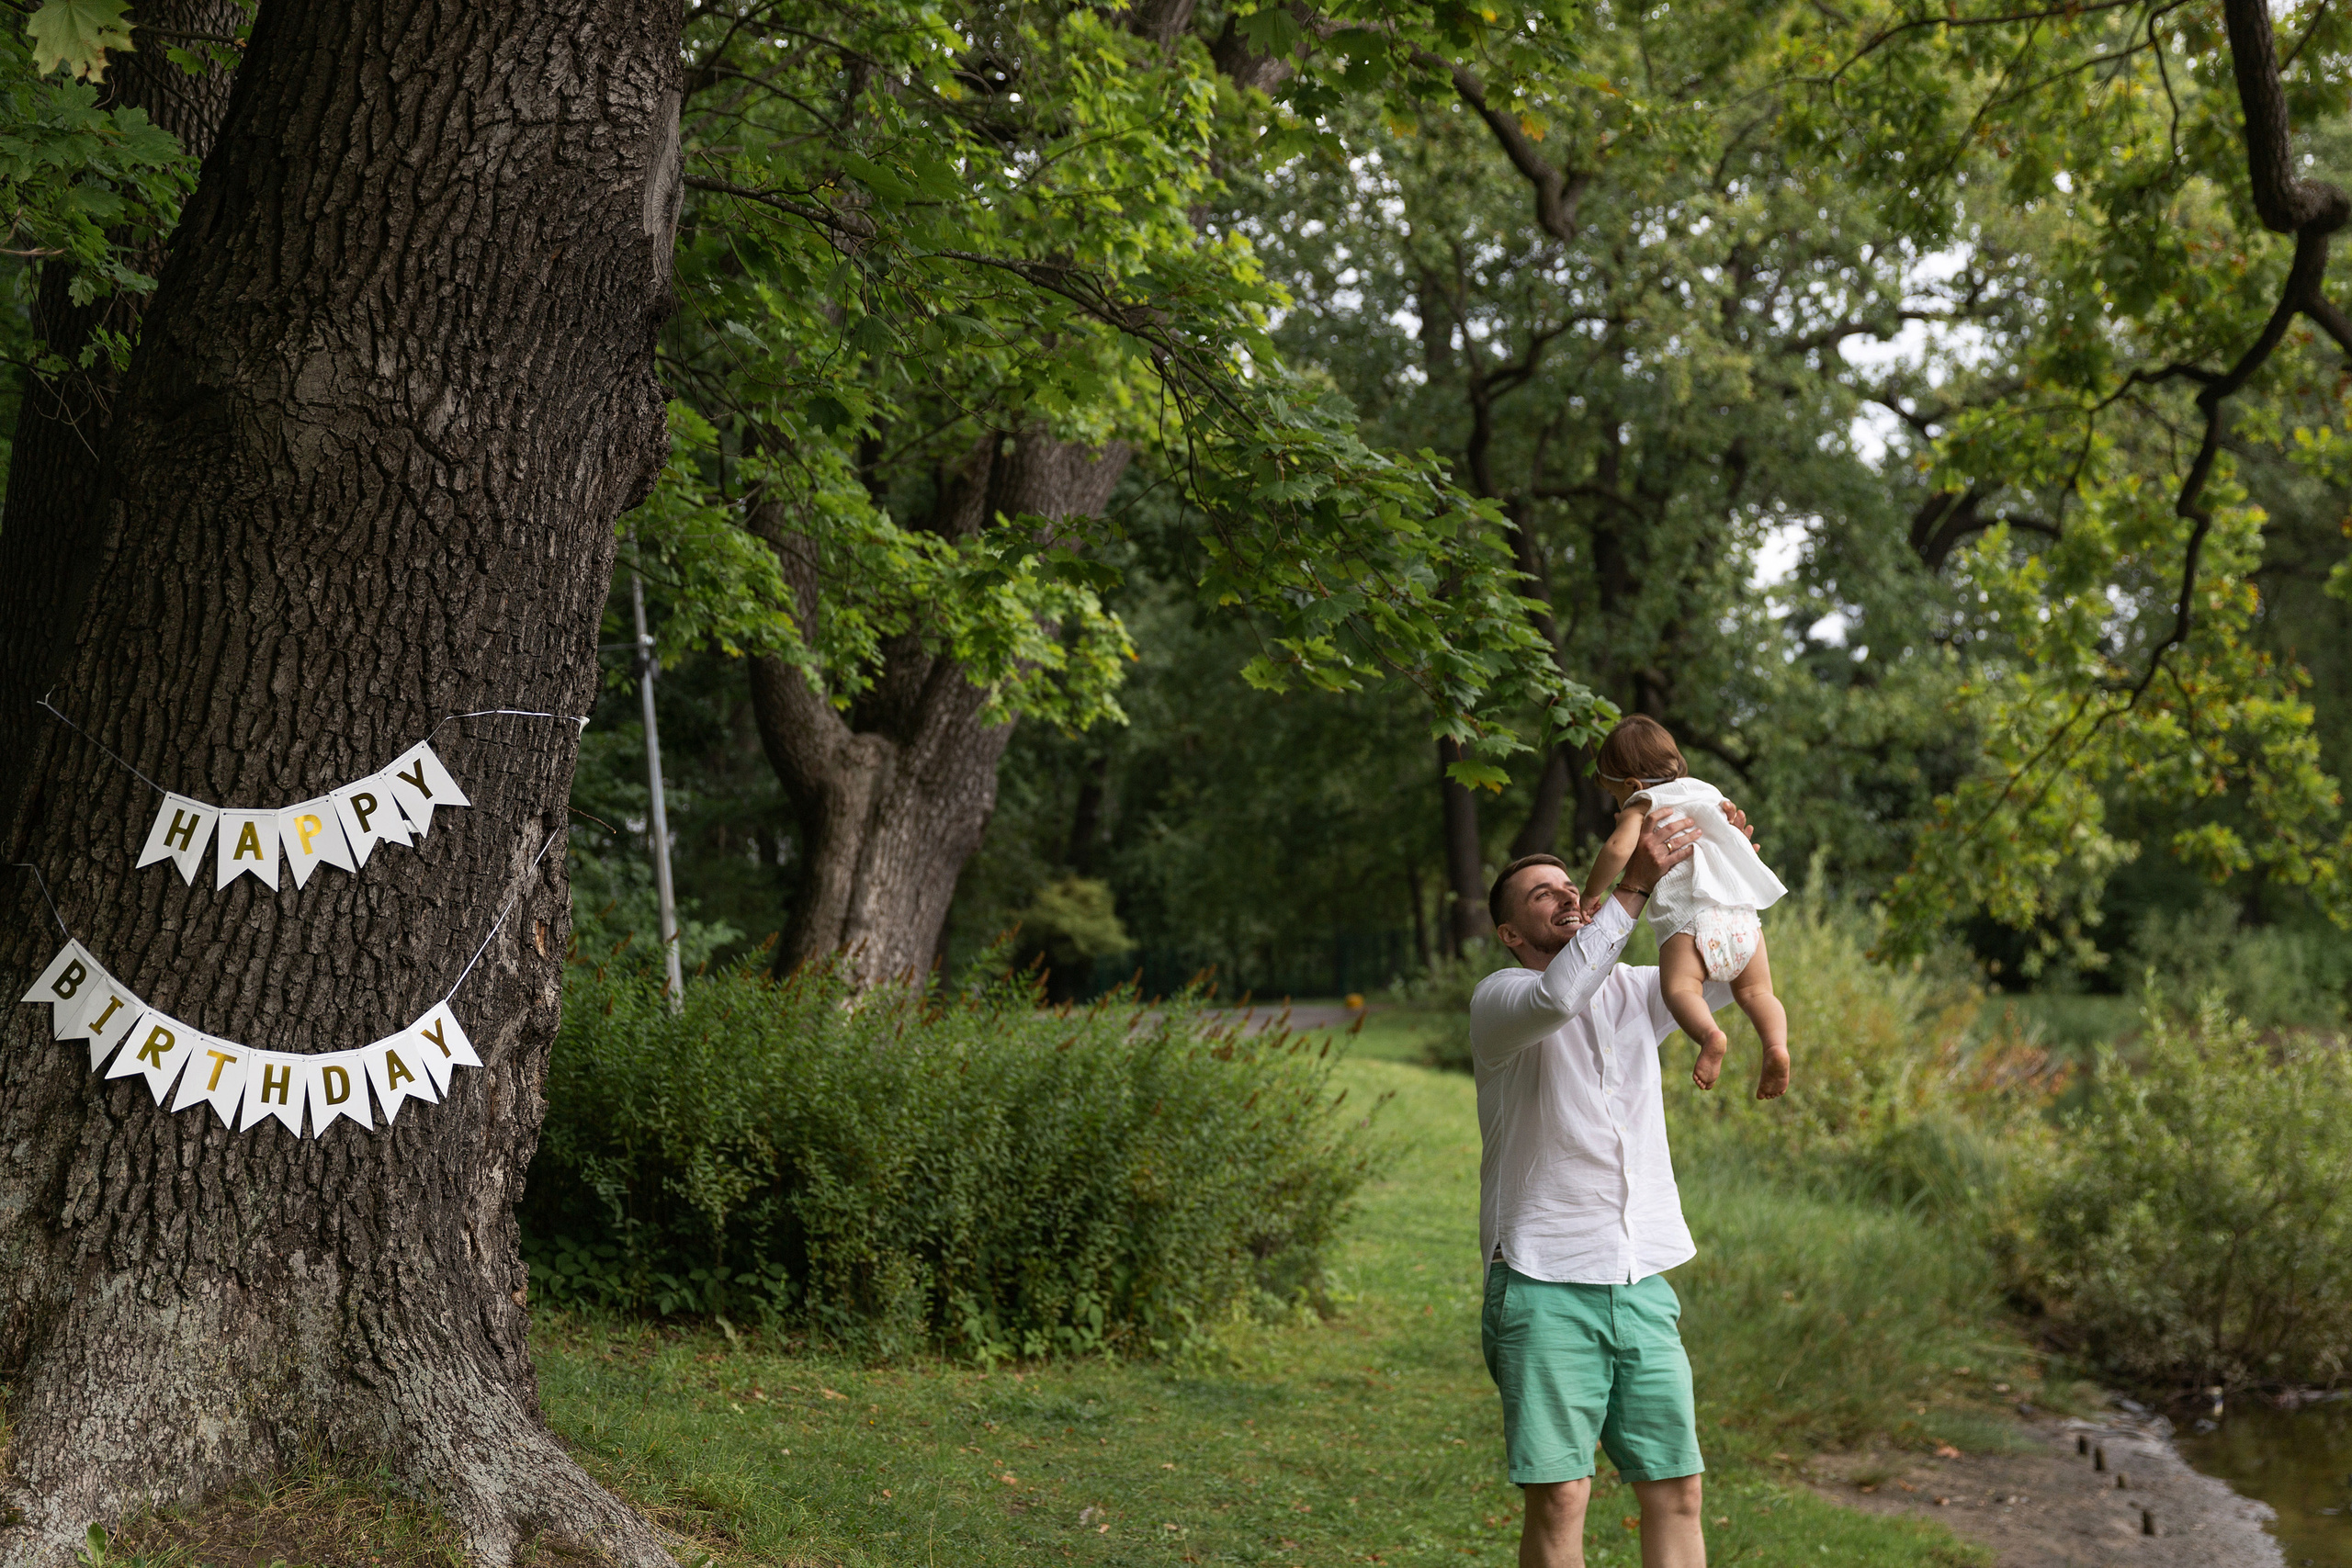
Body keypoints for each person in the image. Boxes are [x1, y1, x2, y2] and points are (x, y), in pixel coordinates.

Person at [1472, 798, 1753, 1568]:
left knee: (1678, 1489)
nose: (1566, 893)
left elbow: (1727, 968)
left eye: (1569, 883)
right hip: (1541, 1278)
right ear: (1511, 933)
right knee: (1563, 1496)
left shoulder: (1636, 989)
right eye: (1542, 895)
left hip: (1641, 1280)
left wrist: (1718, 860)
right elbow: (1559, 995)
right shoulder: (1499, 1000)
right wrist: (1630, 885)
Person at [1579, 715, 1789, 1100]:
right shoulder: (1706, 791)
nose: (1617, 803)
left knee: (1679, 989)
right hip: (1742, 915)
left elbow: (1617, 850)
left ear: (1630, 785)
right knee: (1758, 993)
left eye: (1614, 795)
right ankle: (1776, 1046)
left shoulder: (1642, 802)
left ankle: (1711, 1037)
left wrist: (1592, 893)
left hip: (1689, 919)